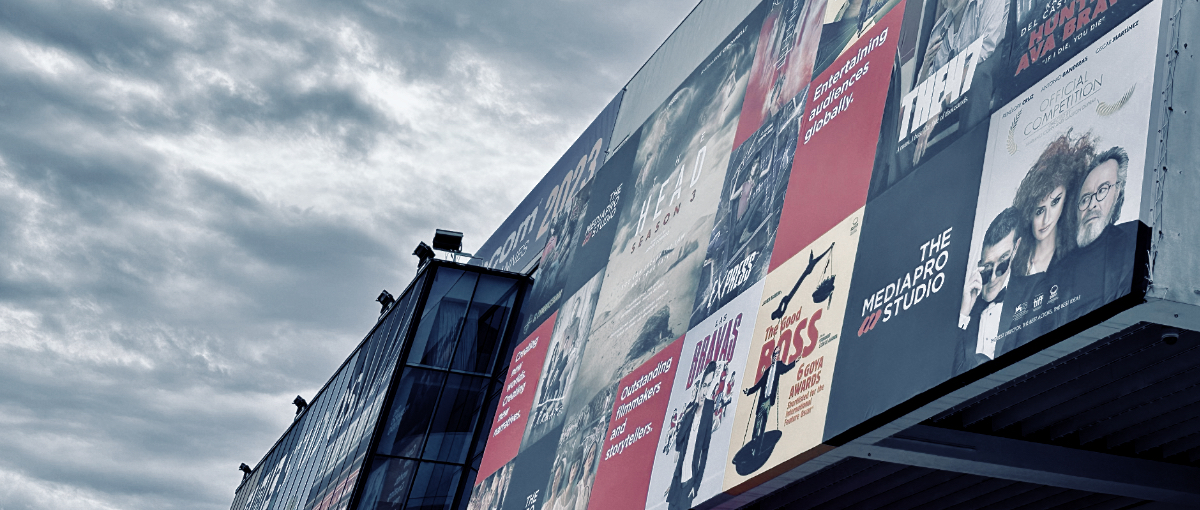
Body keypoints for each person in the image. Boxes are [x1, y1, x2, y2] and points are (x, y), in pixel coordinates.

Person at [954, 207, 1019, 375]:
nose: (992, 279)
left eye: (1002, 265)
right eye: (988, 268)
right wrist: (964, 313)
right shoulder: (967, 316)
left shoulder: (1027, 295)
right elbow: (951, 371)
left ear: (1016, 250)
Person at [667, 361, 718, 510]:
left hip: (690, 482)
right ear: (700, 384)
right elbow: (680, 436)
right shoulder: (690, 408)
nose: (705, 391)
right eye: (704, 385)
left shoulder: (709, 407)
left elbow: (705, 451)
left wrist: (696, 485)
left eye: (708, 386)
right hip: (677, 481)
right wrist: (694, 405)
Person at [743, 347, 796, 451]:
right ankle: (753, 442)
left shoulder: (779, 366)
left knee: (763, 423)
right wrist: (749, 391)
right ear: (772, 355)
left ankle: (758, 446)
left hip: (769, 400)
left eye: (777, 354)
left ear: (778, 356)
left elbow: (786, 368)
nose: (775, 356)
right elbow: (759, 384)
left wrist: (795, 362)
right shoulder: (767, 370)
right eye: (774, 354)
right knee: (757, 421)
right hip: (762, 399)